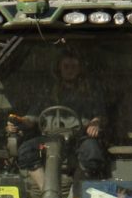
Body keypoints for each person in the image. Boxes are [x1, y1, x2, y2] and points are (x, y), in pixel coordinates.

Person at [9, 49, 110, 190]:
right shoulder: (48, 91)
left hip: (79, 139)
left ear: (80, 69)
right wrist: (18, 122)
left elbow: (100, 115)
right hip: (49, 139)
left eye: (74, 67)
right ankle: (46, 189)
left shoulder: (90, 91)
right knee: (26, 150)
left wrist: (96, 123)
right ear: (59, 68)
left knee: (92, 152)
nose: (70, 70)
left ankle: (76, 193)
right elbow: (31, 118)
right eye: (66, 66)